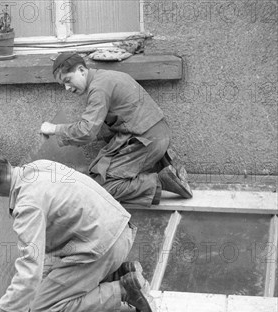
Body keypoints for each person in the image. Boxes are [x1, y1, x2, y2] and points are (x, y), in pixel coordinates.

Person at [0, 152, 158, 312]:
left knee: (43, 305)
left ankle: (123, 290)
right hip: (120, 230)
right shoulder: (38, 167)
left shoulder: (27, 203)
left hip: (105, 247)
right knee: (47, 276)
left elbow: (30, 273)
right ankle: (117, 273)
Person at [40, 52, 193, 207]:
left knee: (101, 188)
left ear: (81, 70)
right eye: (63, 85)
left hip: (147, 140)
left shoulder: (99, 88)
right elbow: (103, 128)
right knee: (98, 171)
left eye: (67, 80)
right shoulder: (106, 78)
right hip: (153, 135)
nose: (67, 88)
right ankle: (165, 163)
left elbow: (87, 130)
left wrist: (54, 129)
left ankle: (162, 182)